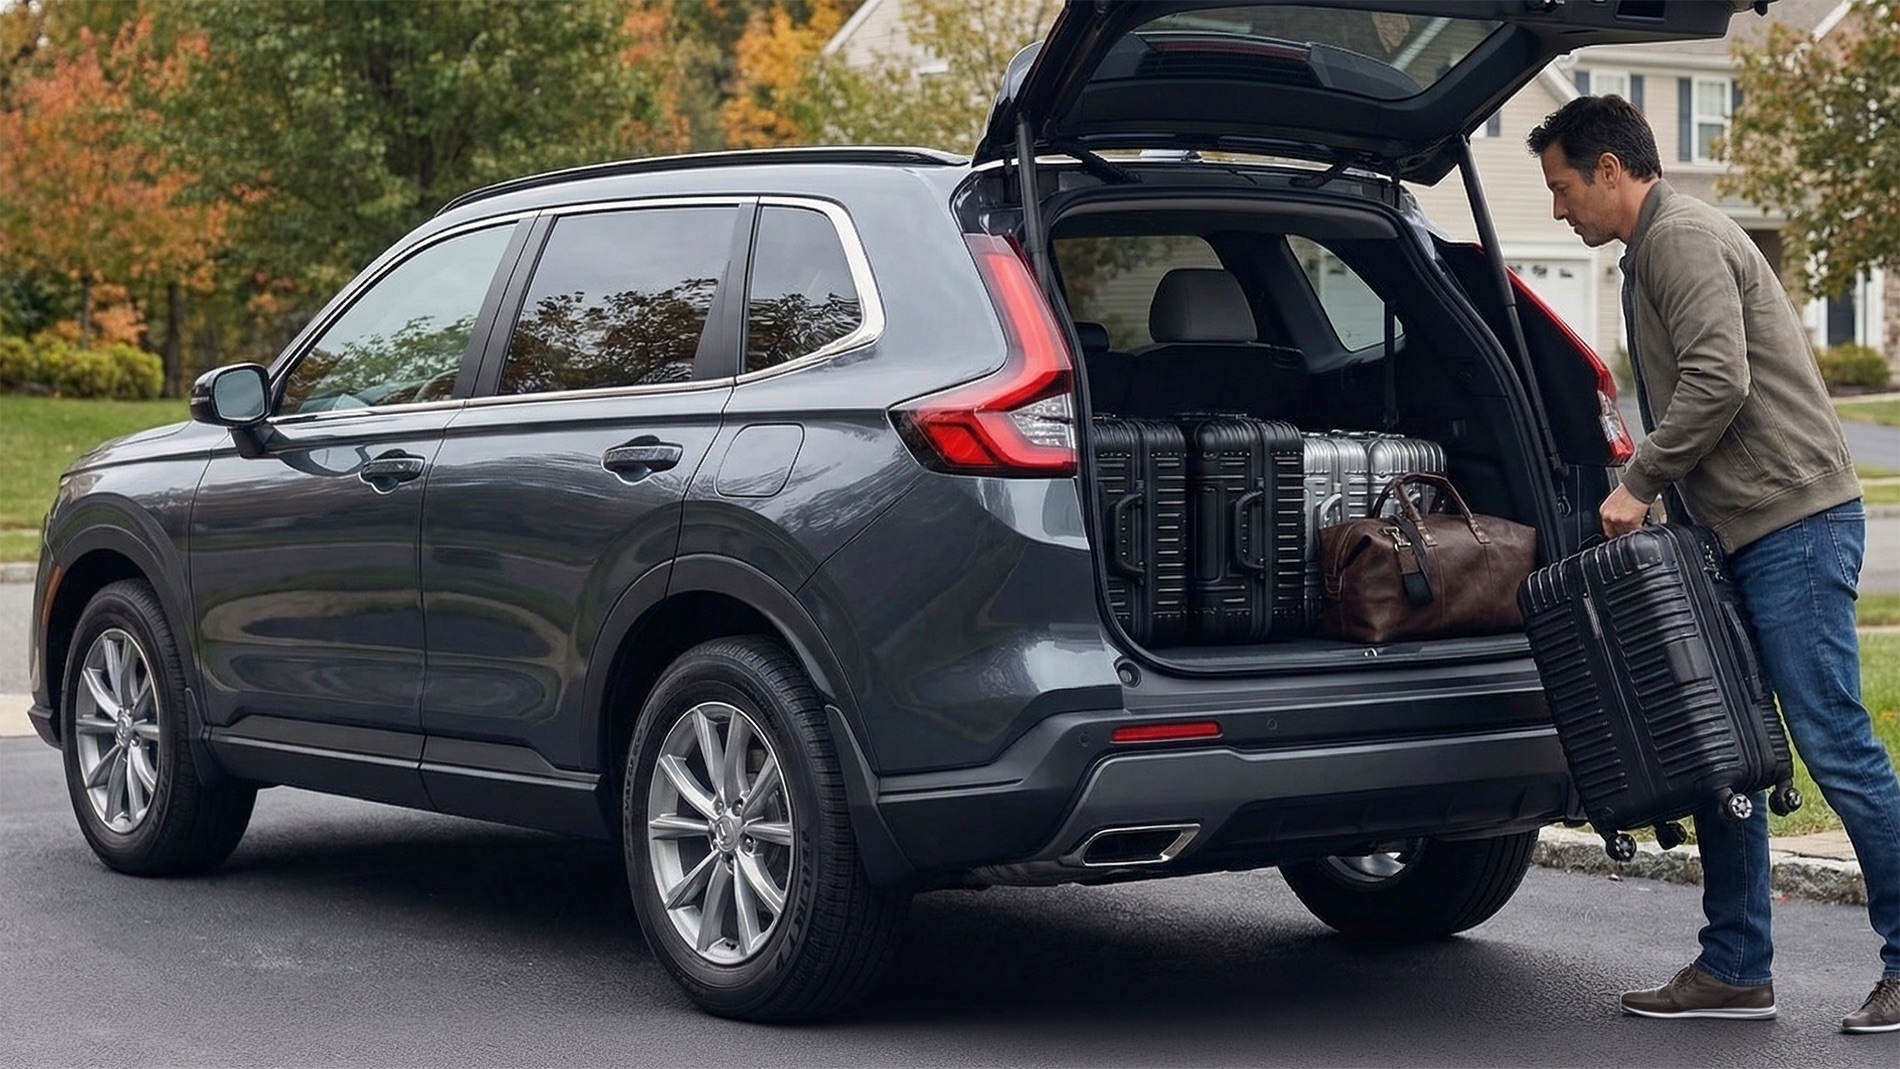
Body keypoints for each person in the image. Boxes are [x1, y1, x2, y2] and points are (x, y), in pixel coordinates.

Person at [1527, 94, 1900, 1034]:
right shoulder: (1647, 253)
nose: (1558, 209)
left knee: (1834, 746)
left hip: (1794, 525)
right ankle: (1736, 965)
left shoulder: (1681, 237)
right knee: (1721, 746)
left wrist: (1640, 480)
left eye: (1563, 187)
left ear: (1611, 169)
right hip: (1736, 534)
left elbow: (1718, 378)